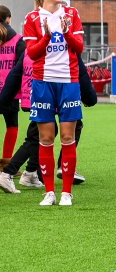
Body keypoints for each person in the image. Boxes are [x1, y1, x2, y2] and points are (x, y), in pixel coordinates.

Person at [21, 0, 84, 206]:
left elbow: (79, 48)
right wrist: (47, 36)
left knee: (68, 137)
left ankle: (66, 192)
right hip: (42, 83)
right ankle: (49, 192)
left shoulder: (72, 14)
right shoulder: (32, 18)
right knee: (46, 138)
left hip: (69, 82)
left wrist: (66, 32)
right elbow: (33, 53)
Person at [0, 50, 95, 192]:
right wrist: (90, 98)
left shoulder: (31, 48)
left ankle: (31, 172)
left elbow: (15, 74)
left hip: (34, 95)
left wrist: (4, 100)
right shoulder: (65, 48)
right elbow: (80, 72)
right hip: (52, 94)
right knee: (38, 136)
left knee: (42, 133)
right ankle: (8, 173)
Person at [0, 5, 25, 173]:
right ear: (8, 18)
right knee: (12, 126)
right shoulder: (18, 39)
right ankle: (6, 164)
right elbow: (21, 67)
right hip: (10, 91)